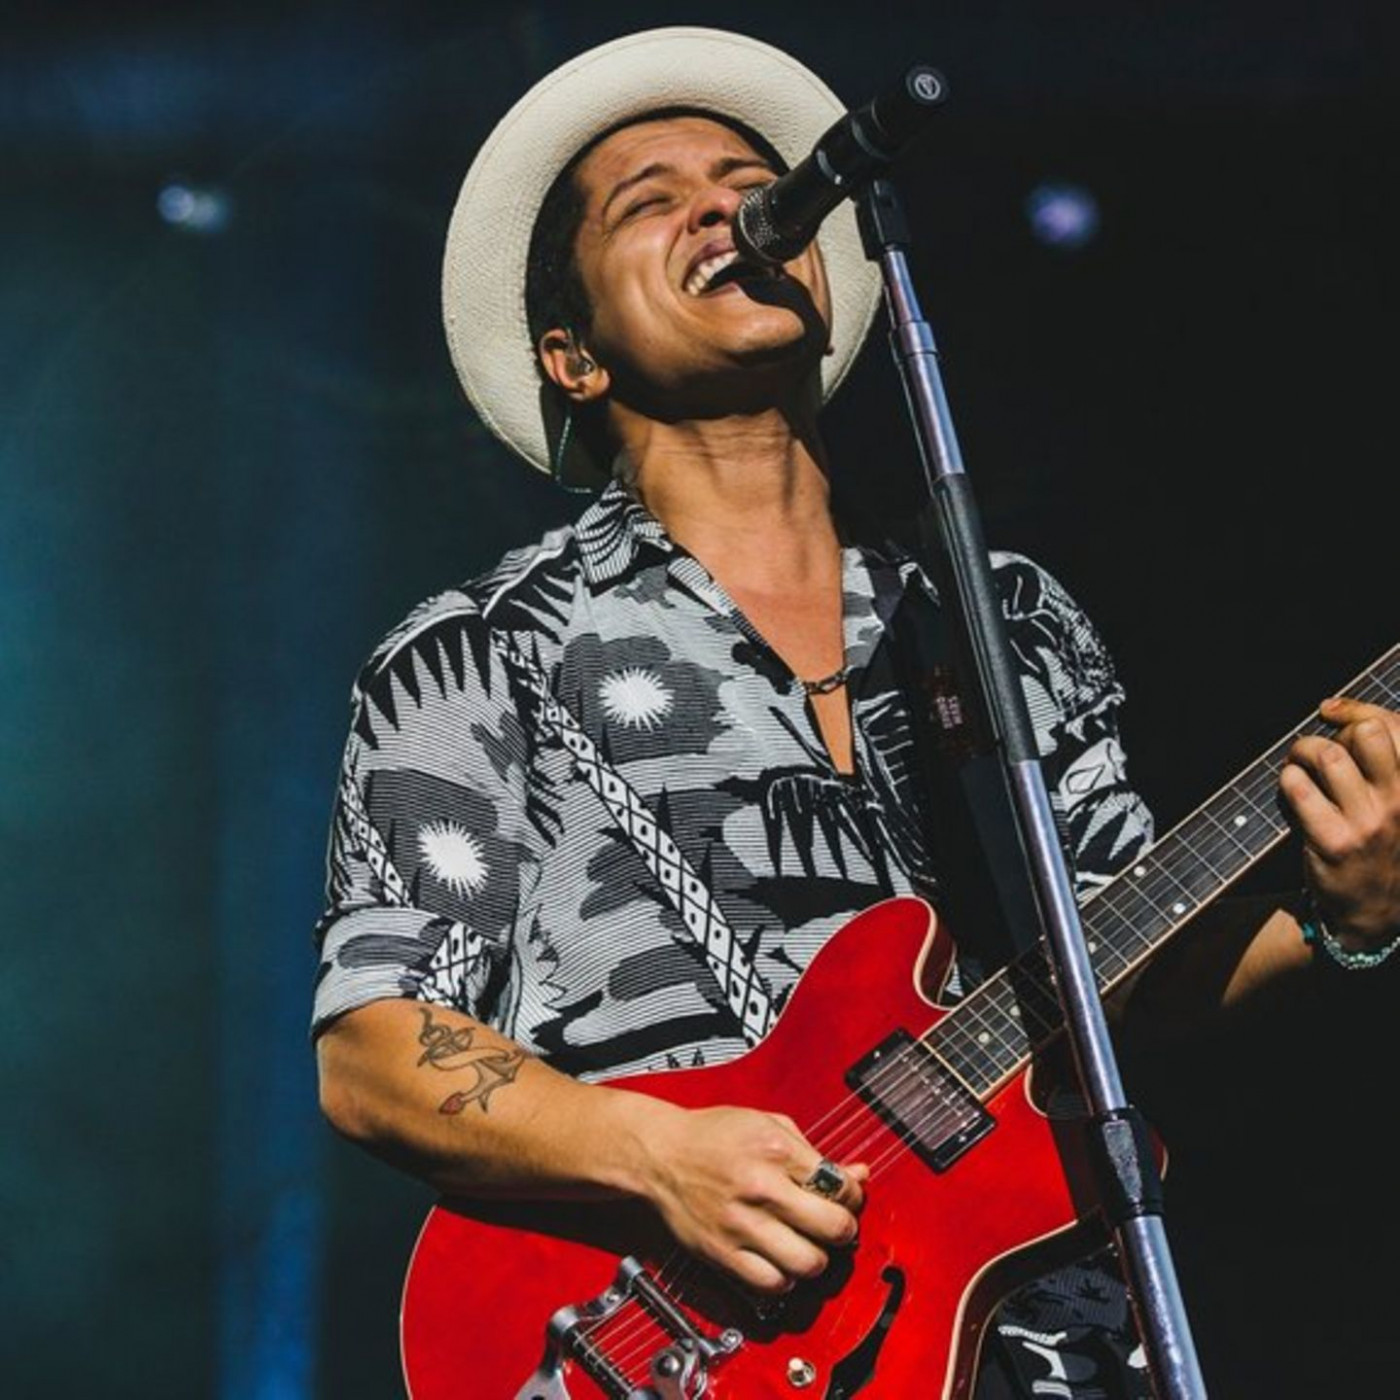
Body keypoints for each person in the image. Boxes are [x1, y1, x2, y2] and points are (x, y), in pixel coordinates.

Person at [311, 26, 1400, 1398]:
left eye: (751, 182)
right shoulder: (479, 652)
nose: (726, 206)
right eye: (656, 200)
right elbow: (379, 1048)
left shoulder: (1001, 617)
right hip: (669, 1346)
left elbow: (1131, 959)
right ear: (571, 356)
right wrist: (663, 1156)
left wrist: (1346, 925)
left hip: (1042, 1339)